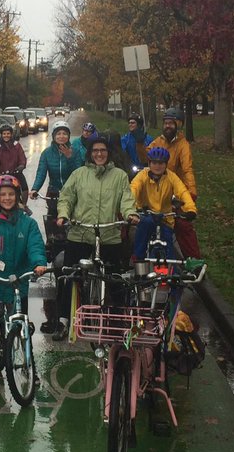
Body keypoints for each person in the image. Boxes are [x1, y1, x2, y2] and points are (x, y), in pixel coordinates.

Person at [53, 136, 138, 336]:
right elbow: (66, 197)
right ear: (90, 154)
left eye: (103, 150)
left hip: (108, 234)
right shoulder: (79, 174)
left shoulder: (119, 176)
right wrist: (63, 215)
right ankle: (63, 320)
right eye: (95, 151)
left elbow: (126, 199)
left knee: (115, 277)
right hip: (81, 232)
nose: (99, 154)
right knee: (69, 275)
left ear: (108, 153)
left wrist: (130, 214)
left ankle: (118, 319)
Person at [0, 175, 47, 385]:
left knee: (22, 323)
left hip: (18, 283)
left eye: (11, 194)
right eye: (2, 195)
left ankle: (30, 364)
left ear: (17, 196)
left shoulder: (27, 223)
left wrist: (39, 263)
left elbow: (36, 246)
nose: (7, 198)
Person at [148, 107, 201, 258]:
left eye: (171, 123)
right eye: (165, 123)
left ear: (179, 124)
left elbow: (187, 169)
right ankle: (136, 258)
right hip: (155, 188)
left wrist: (191, 193)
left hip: (175, 192)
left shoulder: (183, 145)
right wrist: (139, 141)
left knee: (183, 226)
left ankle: (193, 260)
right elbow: (145, 156)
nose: (167, 126)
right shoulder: (158, 141)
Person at [129, 147, 195, 261]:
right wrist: (130, 209)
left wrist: (191, 209)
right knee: (145, 226)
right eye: (154, 162)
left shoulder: (172, 177)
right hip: (145, 215)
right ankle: (138, 258)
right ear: (149, 163)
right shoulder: (142, 176)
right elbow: (133, 189)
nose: (157, 166)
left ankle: (171, 273)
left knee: (168, 248)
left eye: (161, 163)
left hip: (165, 219)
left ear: (166, 164)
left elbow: (182, 191)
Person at [30, 120, 80, 250]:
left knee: (74, 220)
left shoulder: (75, 152)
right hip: (54, 192)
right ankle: (52, 241)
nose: (61, 136)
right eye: (58, 134)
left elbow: (79, 172)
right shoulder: (46, 153)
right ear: (53, 136)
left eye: (64, 133)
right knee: (52, 219)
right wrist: (35, 189)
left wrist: (69, 158)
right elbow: (41, 173)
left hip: (73, 193)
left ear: (68, 136)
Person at [0, 123, 27, 187]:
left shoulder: (16, 145)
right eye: (4, 134)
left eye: (8, 134)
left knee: (24, 187)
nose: (6, 136)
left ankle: (24, 197)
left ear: (11, 134)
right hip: (2, 175)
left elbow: (22, 157)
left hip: (16, 174)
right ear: (1, 135)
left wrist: (21, 166)